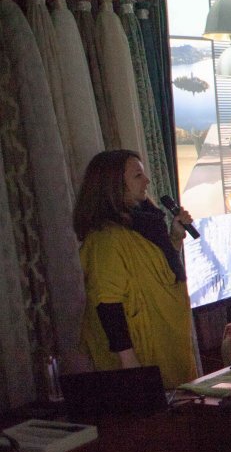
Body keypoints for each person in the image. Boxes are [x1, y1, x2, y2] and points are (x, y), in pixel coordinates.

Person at [74, 149, 197, 389]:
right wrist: (131, 368)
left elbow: (156, 272)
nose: (147, 181)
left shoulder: (142, 225)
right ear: (114, 186)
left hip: (168, 351)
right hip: (142, 363)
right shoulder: (106, 240)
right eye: (138, 176)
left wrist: (174, 238)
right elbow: (108, 305)